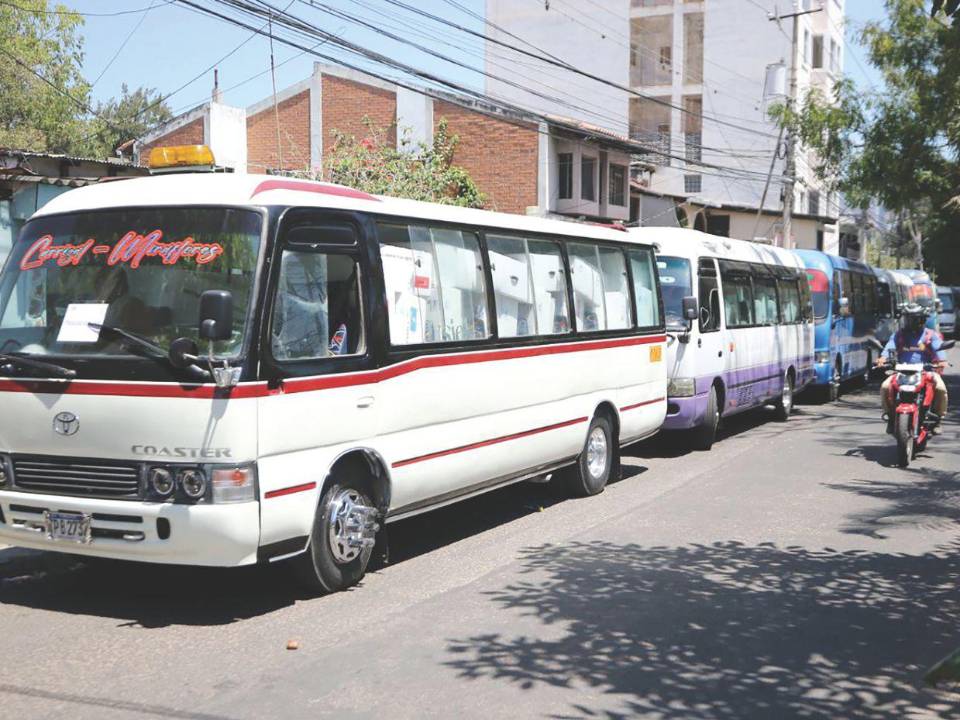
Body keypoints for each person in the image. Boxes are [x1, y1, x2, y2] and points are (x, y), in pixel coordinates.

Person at [876, 303, 948, 433]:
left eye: (914, 319)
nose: (910, 322)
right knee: (885, 387)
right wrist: (883, 358)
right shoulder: (899, 335)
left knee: (940, 388)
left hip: (926, 371)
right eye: (908, 319)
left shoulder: (930, 335)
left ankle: (938, 419)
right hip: (902, 371)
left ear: (922, 320)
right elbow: (889, 347)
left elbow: (939, 348)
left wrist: (942, 361)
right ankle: (891, 416)